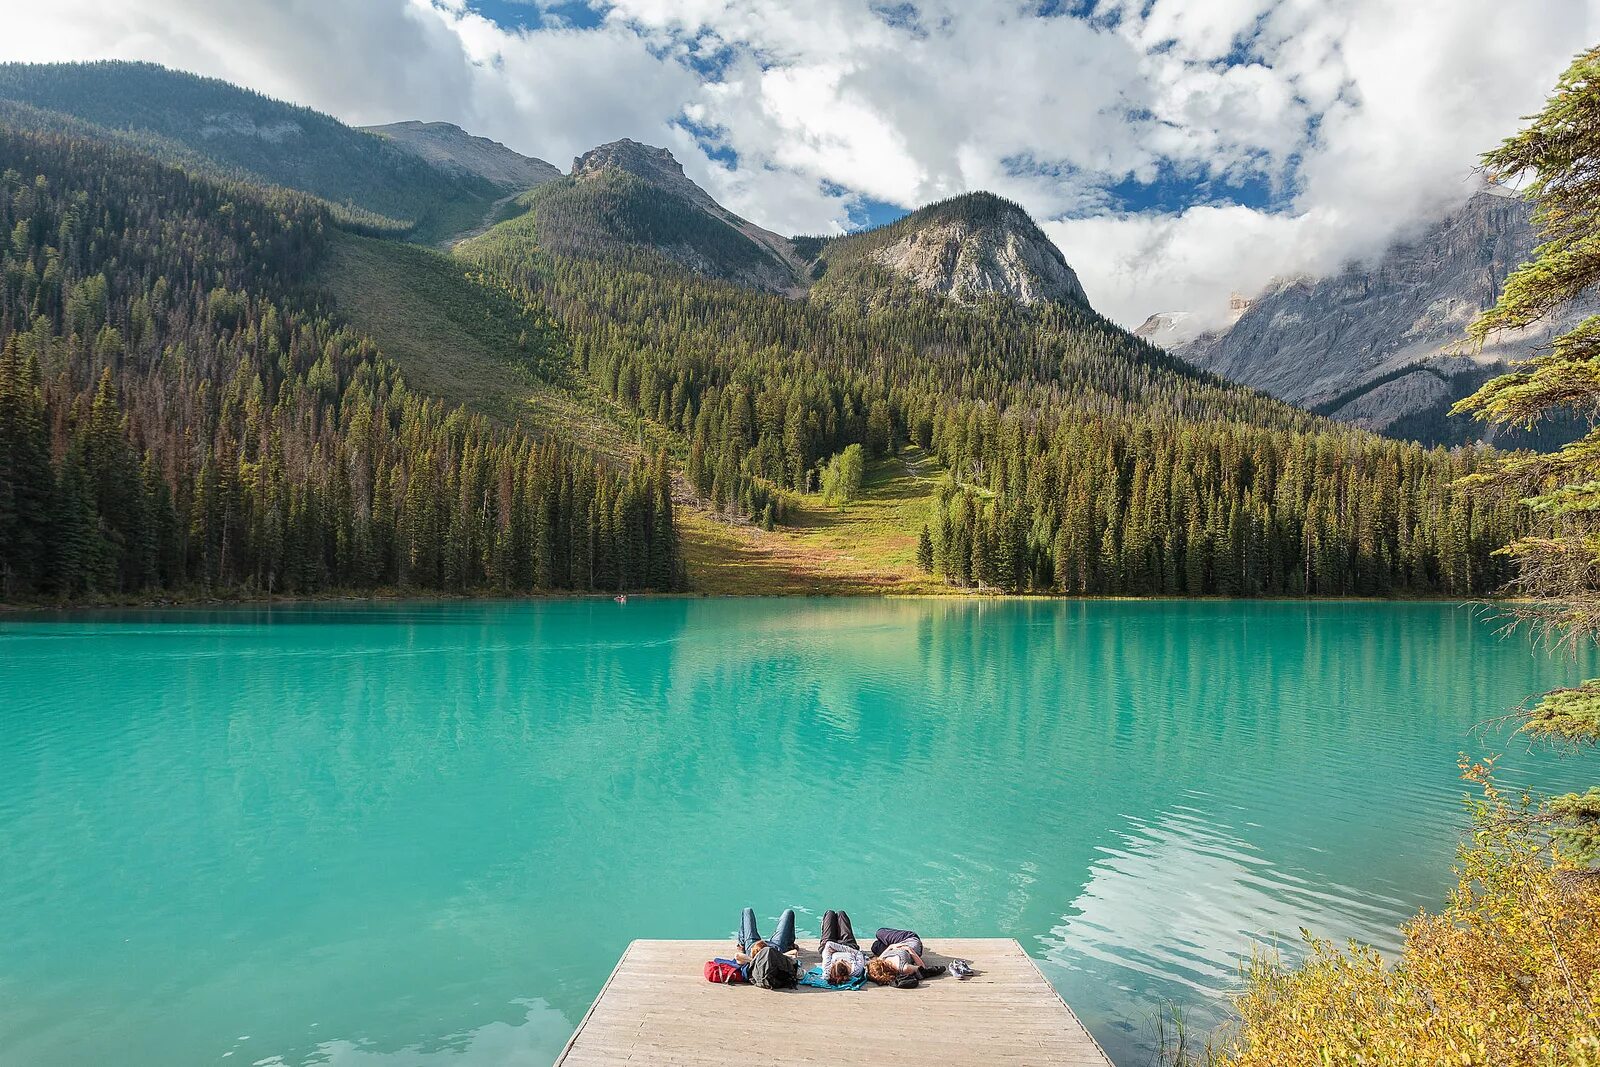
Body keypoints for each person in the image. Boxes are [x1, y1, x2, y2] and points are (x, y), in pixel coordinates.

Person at [866, 926, 947, 984]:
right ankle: (888, 941)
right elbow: (922, 968)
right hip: (910, 940)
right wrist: (909, 949)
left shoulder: (881, 960)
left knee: (875, 946)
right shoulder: (904, 968)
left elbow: (881, 956)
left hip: (894, 946)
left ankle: (887, 942)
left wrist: (891, 946)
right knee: (879, 932)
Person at [818, 909, 867, 985]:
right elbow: (858, 953)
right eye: (844, 961)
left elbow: (828, 945)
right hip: (849, 945)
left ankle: (825, 925)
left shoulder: (827, 969)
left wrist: (836, 948)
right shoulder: (856, 970)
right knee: (841, 914)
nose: (841, 959)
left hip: (830, 946)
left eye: (837, 960)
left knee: (830, 914)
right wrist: (843, 948)